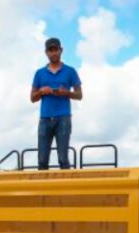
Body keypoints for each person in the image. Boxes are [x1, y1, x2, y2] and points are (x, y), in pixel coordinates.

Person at [30, 37, 82, 170]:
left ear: (61, 50)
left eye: (55, 50)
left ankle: (67, 190)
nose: (53, 53)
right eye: (50, 50)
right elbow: (32, 98)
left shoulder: (70, 71)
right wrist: (41, 91)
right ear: (46, 52)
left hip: (63, 118)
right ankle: (42, 190)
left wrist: (66, 93)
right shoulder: (39, 73)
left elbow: (79, 95)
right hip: (45, 119)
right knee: (42, 160)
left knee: (63, 158)